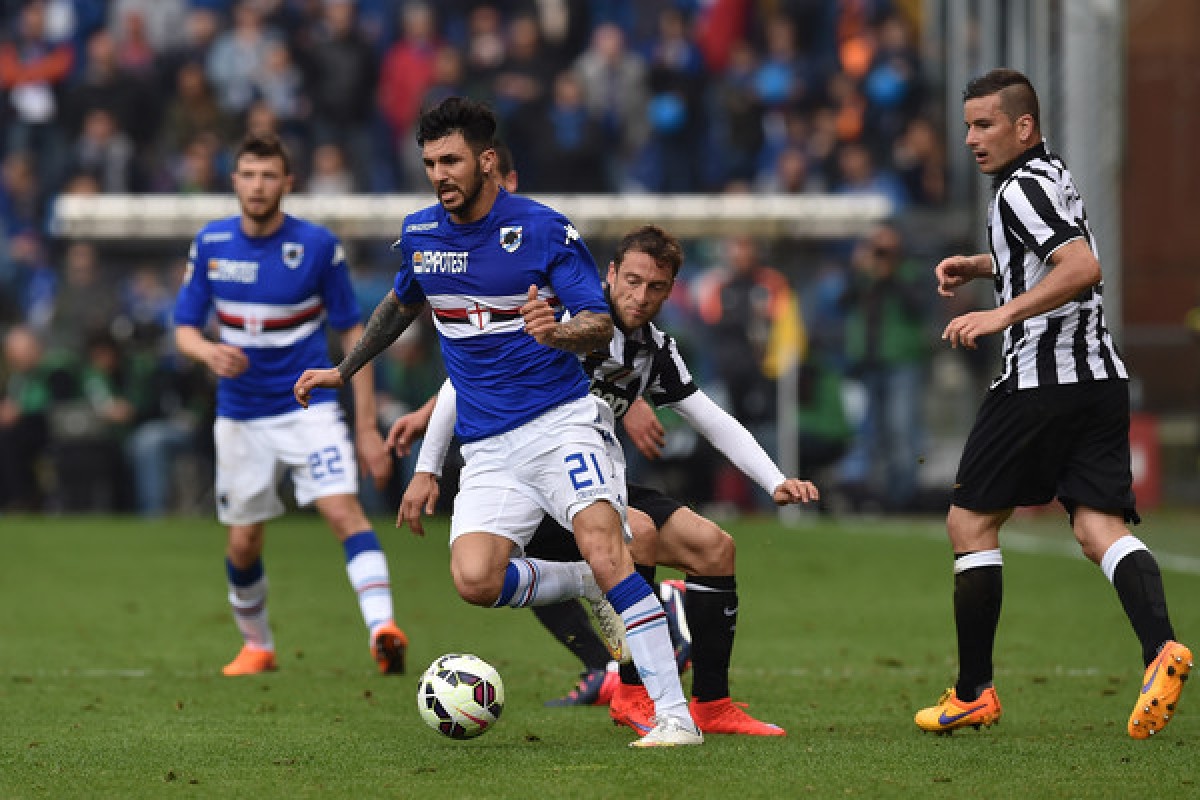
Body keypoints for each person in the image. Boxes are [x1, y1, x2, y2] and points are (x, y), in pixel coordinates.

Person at [292, 96, 702, 748]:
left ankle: (677, 718)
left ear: (486, 161)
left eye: (451, 161)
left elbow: (598, 323)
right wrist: (345, 369)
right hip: (487, 447)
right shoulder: (422, 235)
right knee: (476, 579)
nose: (439, 175)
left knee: (605, 546)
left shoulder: (543, 230)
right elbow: (400, 305)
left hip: (561, 425)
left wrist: (557, 332)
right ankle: (591, 581)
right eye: (430, 163)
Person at [399, 224, 821, 737]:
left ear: (670, 290)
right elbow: (469, 374)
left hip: (599, 477)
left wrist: (774, 479)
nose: (641, 297)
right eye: (633, 281)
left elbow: (709, 416)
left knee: (714, 548)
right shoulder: (563, 316)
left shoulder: (655, 349)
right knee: (634, 535)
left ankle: (713, 705)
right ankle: (632, 691)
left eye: (656, 287)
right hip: (537, 482)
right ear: (611, 274)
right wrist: (427, 462)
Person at [914, 68, 1192, 738]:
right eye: (967, 125)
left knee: (969, 523)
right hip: (1101, 378)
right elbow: (1054, 253)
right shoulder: (1051, 175)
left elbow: (1082, 268)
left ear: (1023, 126)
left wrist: (999, 313)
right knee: (1099, 530)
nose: (971, 138)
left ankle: (973, 692)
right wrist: (983, 265)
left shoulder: (1018, 189)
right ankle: (1161, 650)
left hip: (1043, 381)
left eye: (984, 124)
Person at [173, 132, 408, 678]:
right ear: (234, 181)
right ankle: (258, 646)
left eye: (268, 175)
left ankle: (383, 629)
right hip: (240, 414)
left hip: (309, 408)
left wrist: (365, 427)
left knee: (342, 511)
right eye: (249, 175)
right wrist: (208, 352)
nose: (258, 186)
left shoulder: (319, 246)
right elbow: (183, 328)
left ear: (287, 182)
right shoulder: (211, 243)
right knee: (243, 541)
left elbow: (355, 335)